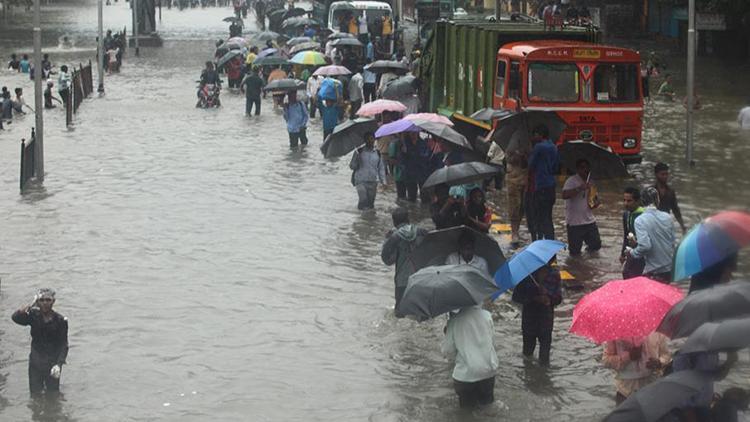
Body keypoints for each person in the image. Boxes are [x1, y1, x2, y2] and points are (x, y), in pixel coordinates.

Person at [11, 288, 69, 396]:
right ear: (38, 302)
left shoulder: (60, 320)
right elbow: (15, 318)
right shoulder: (33, 315)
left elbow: (64, 344)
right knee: (35, 395)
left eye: (48, 300)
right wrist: (25, 309)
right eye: (42, 300)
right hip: (35, 363)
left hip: (52, 364)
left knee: (53, 395)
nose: (45, 303)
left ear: (53, 301)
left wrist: (59, 364)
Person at [441, 304, 498, 409]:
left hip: (465, 376)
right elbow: (492, 342)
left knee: (467, 412)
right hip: (488, 371)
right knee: (487, 408)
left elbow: (448, 351)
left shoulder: (454, 321)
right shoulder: (487, 315)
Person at [512, 261, 561, 366]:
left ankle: (543, 378)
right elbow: (516, 297)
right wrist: (534, 298)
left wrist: (549, 298)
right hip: (529, 320)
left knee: (544, 357)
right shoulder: (526, 275)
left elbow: (558, 298)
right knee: (527, 354)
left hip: (546, 321)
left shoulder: (554, 275)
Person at [381, 207, 428, 317]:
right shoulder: (421, 232)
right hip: (420, 278)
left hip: (402, 280)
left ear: (394, 221)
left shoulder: (394, 236)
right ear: (408, 219)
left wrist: (387, 239)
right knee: (421, 312)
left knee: (400, 313)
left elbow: (387, 260)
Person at [602, 332, 670, 404]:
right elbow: (606, 361)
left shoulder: (656, 331)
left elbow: (666, 355)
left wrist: (659, 362)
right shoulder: (614, 333)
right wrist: (628, 356)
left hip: (653, 387)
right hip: (626, 391)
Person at [625, 187, 675, 282]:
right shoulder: (668, 218)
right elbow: (672, 243)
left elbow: (645, 246)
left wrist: (632, 252)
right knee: (665, 295)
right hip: (669, 269)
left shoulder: (640, 221)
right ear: (658, 201)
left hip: (653, 271)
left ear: (641, 201)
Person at [562, 158, 601, 255]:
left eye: (587, 167)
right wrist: (579, 188)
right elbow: (564, 195)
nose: (585, 170)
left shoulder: (591, 183)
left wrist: (596, 202)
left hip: (589, 221)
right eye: (582, 168)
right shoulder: (571, 181)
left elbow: (592, 203)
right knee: (575, 252)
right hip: (574, 223)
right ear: (578, 169)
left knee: (596, 246)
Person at [528, 124, 559, 241]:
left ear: (540, 135)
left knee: (539, 217)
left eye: (535, 134)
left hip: (540, 186)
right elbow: (556, 168)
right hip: (551, 186)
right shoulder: (554, 147)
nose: (533, 137)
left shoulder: (539, 147)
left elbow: (530, 165)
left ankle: (539, 241)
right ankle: (550, 243)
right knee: (548, 217)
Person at [350, 132, 386, 210]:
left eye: (372, 139)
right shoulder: (359, 152)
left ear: (374, 140)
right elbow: (352, 166)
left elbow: (381, 168)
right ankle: (360, 217)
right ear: (365, 140)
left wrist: (383, 181)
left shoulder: (377, 153)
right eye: (368, 139)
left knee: (370, 204)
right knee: (363, 199)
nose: (370, 141)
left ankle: (368, 219)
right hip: (360, 180)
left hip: (373, 181)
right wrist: (357, 159)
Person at [619, 187, 646, 279]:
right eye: (624, 200)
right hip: (632, 251)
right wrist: (622, 254)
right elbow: (626, 235)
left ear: (638, 201)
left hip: (643, 253)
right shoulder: (626, 214)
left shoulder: (644, 216)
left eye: (629, 201)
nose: (626, 203)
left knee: (637, 277)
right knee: (626, 273)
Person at [652, 162, 686, 233]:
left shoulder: (670, 192)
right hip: (653, 225)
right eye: (662, 174)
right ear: (656, 175)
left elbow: (676, 210)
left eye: (666, 174)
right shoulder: (651, 191)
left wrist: (683, 226)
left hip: (666, 225)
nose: (665, 176)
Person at [398, 131, 430, 203]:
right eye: (411, 132)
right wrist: (404, 152)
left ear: (418, 132)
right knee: (411, 197)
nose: (413, 134)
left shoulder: (423, 143)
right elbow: (401, 160)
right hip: (409, 173)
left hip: (422, 172)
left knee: (425, 196)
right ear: (409, 133)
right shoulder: (404, 144)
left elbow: (426, 157)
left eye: (415, 132)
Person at [505, 148, 528, 248]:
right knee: (514, 205)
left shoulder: (530, 143)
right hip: (513, 178)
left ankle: (516, 229)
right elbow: (508, 159)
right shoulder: (512, 143)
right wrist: (517, 155)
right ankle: (514, 232)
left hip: (526, 177)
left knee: (523, 206)